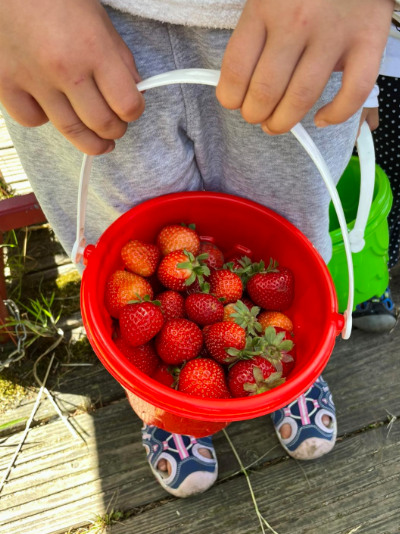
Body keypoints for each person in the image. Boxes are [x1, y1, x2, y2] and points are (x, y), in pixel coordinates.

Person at [0, 0, 397, 498]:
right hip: (67, 31)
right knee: (114, 223)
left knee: (291, 222)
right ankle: (165, 399)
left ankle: (278, 371)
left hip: (304, 25)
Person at [353, 13, 400, 333]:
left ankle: (377, 268)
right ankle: (361, 280)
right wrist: (364, 86)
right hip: (381, 65)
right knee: (370, 183)